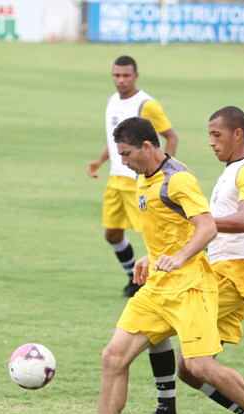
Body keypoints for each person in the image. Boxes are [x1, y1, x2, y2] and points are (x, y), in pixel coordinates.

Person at [69, 117, 244, 414]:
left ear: (147, 147)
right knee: (114, 357)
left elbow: (207, 225)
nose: (122, 162)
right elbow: (171, 226)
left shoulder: (183, 178)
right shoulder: (145, 176)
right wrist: (152, 255)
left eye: (126, 154)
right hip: (158, 286)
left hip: (195, 285)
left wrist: (180, 256)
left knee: (198, 366)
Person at [87, 56, 178, 298]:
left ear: (136, 76)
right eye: (117, 75)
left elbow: (172, 136)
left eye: (126, 75)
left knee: (152, 236)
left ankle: (157, 284)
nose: (121, 80)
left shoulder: (146, 105)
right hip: (115, 179)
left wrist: (165, 173)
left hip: (138, 181)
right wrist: (99, 160)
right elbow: (117, 141)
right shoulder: (111, 101)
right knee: (112, 233)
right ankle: (133, 277)